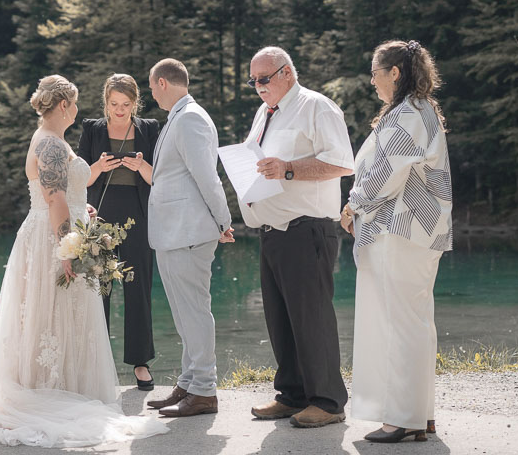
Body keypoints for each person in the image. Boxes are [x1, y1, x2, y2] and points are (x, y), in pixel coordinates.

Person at [0, 75, 168, 448]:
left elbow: (62, 196)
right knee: (54, 312)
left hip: (52, 230)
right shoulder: (52, 145)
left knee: (50, 315)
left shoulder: (49, 140)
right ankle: (52, 389)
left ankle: (55, 382)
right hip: (52, 239)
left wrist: (78, 208)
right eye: (74, 103)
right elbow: (53, 199)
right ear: (64, 105)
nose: (76, 109)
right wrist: (68, 247)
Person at [341, 40, 452, 443]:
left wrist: (352, 205)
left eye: (375, 73)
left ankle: (404, 418)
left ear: (395, 73)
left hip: (401, 229)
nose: (372, 82)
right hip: (419, 231)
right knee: (416, 321)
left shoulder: (407, 114)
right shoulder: (421, 110)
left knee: (400, 323)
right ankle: (421, 414)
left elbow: (385, 175)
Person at [239, 46, 354, 429]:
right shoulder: (264, 112)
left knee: (311, 318)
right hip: (272, 231)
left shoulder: (317, 107)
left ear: (287, 72)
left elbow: (341, 161)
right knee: (280, 319)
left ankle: (328, 401)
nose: (258, 87)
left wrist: (288, 169)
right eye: (253, 80)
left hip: (308, 230)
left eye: (264, 79)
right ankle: (292, 395)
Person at [145, 58, 234, 418]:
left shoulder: (191, 118)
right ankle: (188, 381)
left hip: (188, 231)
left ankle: (204, 390)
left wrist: (224, 220)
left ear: (163, 83)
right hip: (173, 230)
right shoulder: (179, 117)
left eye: (152, 88)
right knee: (184, 314)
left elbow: (206, 176)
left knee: (194, 312)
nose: (152, 94)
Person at [77, 73, 161, 390]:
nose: (120, 110)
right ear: (106, 102)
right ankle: (97, 363)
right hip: (100, 215)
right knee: (101, 288)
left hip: (139, 216)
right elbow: (79, 179)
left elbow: (162, 179)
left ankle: (140, 363)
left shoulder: (150, 128)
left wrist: (142, 168)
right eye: (114, 104)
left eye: (126, 104)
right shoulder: (92, 129)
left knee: (138, 288)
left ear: (135, 103)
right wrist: (98, 167)